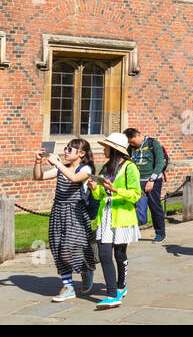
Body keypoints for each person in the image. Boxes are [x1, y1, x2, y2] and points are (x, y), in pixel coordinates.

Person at [33, 137, 97, 301]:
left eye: (70, 149)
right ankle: (67, 286)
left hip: (75, 212)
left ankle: (86, 270)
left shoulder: (86, 169)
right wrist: (37, 161)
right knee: (58, 248)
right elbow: (38, 177)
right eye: (66, 148)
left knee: (70, 248)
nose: (66, 151)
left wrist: (58, 164)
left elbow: (74, 178)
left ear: (81, 153)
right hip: (58, 211)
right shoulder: (62, 168)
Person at [88, 132, 142, 309]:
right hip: (106, 216)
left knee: (119, 254)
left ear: (114, 149)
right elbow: (101, 195)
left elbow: (136, 194)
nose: (103, 149)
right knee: (104, 254)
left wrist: (117, 190)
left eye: (106, 147)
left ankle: (120, 287)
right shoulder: (105, 168)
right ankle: (112, 294)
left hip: (122, 216)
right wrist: (95, 188)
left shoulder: (130, 167)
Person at [126, 127, 168, 243]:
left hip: (152, 180)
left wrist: (152, 180)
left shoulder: (152, 144)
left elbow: (160, 162)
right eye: (129, 142)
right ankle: (134, 232)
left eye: (132, 141)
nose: (131, 144)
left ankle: (160, 233)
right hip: (137, 180)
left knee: (154, 207)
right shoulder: (131, 147)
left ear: (139, 135)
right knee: (135, 207)